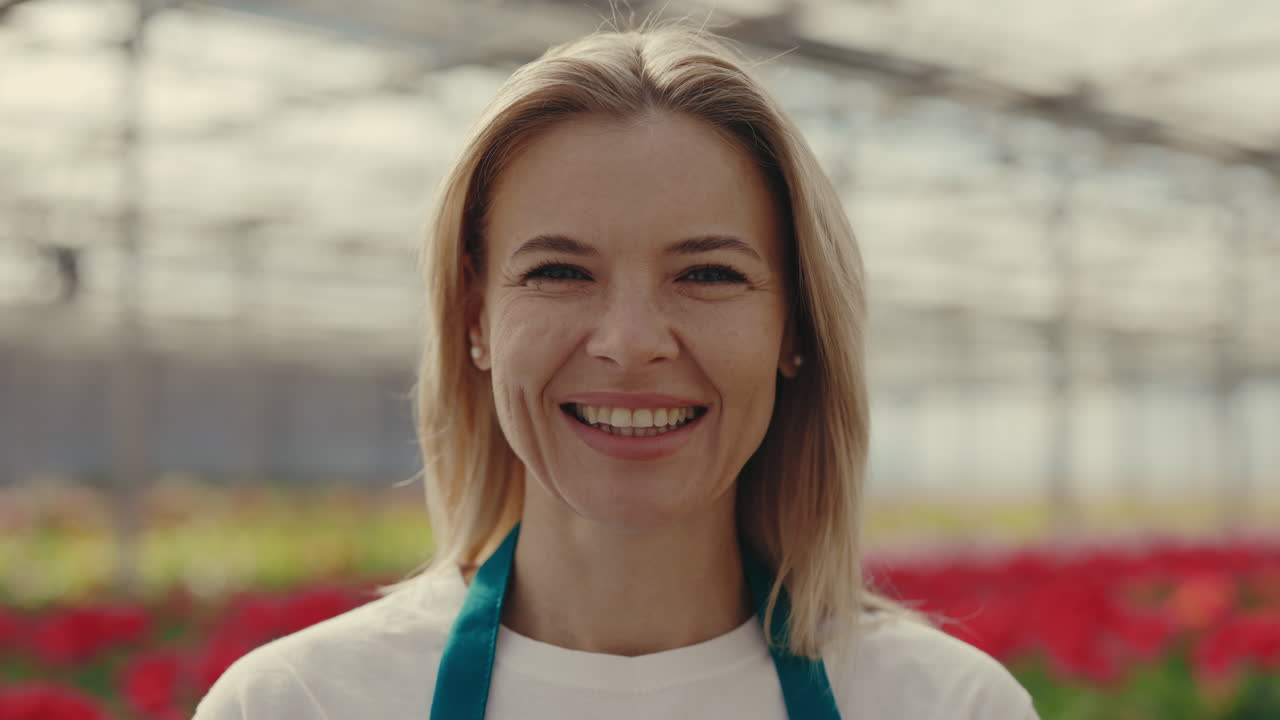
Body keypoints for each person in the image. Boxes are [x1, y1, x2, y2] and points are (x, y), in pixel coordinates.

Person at [195, 23, 1039, 720]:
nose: (631, 344)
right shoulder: (295, 704)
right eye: (560, 272)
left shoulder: (948, 706)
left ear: (794, 327)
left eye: (708, 274)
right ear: (476, 320)